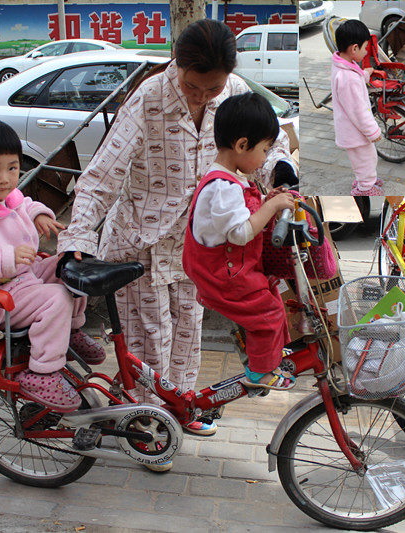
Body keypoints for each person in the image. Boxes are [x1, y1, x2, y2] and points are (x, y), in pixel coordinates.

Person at [57, 19, 296, 469]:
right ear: (177, 64)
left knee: (187, 333)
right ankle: (148, 430)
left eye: (212, 88)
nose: (202, 97)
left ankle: (184, 409)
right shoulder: (147, 99)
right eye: (193, 87)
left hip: (200, 248)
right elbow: (100, 179)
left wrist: (280, 174)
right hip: (140, 243)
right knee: (151, 342)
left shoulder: (233, 92)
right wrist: (76, 239)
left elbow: (271, 147)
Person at [0, 118, 105, 413]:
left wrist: (38, 213)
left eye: (12, 168)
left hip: (22, 279)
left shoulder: (3, 196)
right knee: (56, 298)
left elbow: (22, 204)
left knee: (68, 264)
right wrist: (6, 257)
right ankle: (42, 373)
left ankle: (71, 331)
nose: (4, 178)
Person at [183, 93, 297, 391]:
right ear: (242, 145)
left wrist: (268, 200)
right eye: (264, 149)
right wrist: (270, 208)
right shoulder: (222, 186)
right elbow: (240, 233)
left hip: (231, 269)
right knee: (268, 314)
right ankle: (260, 371)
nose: (264, 158)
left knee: (272, 297)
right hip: (224, 275)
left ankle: (266, 353)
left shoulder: (227, 178)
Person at [331, 19, 383, 196]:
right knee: (367, 159)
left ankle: (364, 180)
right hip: (356, 131)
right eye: (365, 48)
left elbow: (355, 78)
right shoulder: (348, 78)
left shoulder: (342, 66)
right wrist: (373, 131)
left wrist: (365, 74)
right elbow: (358, 111)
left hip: (350, 130)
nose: (366, 51)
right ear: (354, 48)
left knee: (361, 160)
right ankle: (365, 189)